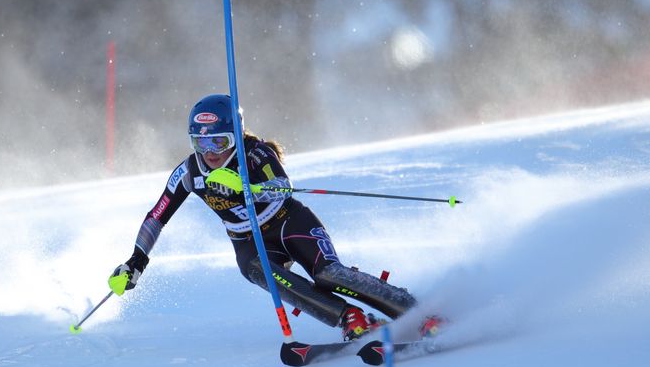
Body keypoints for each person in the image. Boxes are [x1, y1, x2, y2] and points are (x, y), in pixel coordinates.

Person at [108, 93, 421, 340]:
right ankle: (351, 318)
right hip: (249, 242)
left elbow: (282, 187)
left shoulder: (255, 153)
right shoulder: (189, 172)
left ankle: (410, 308)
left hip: (288, 222)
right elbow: (156, 216)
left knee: (328, 275)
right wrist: (136, 260)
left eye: (220, 141)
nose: (211, 152)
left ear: (236, 135)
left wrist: (245, 187)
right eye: (201, 142)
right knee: (263, 273)